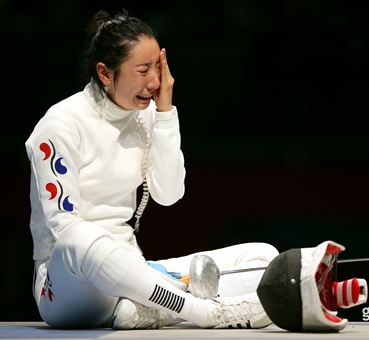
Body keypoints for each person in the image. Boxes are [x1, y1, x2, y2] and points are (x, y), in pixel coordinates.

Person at [25, 9, 279, 330]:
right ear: (105, 73)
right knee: (80, 237)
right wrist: (148, 278)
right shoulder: (59, 125)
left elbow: (169, 194)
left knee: (262, 257)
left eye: (157, 69)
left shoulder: (144, 115)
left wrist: (165, 112)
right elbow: (64, 228)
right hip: (68, 289)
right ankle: (207, 313)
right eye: (143, 70)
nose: (155, 82)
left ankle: (142, 312)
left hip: (134, 274)